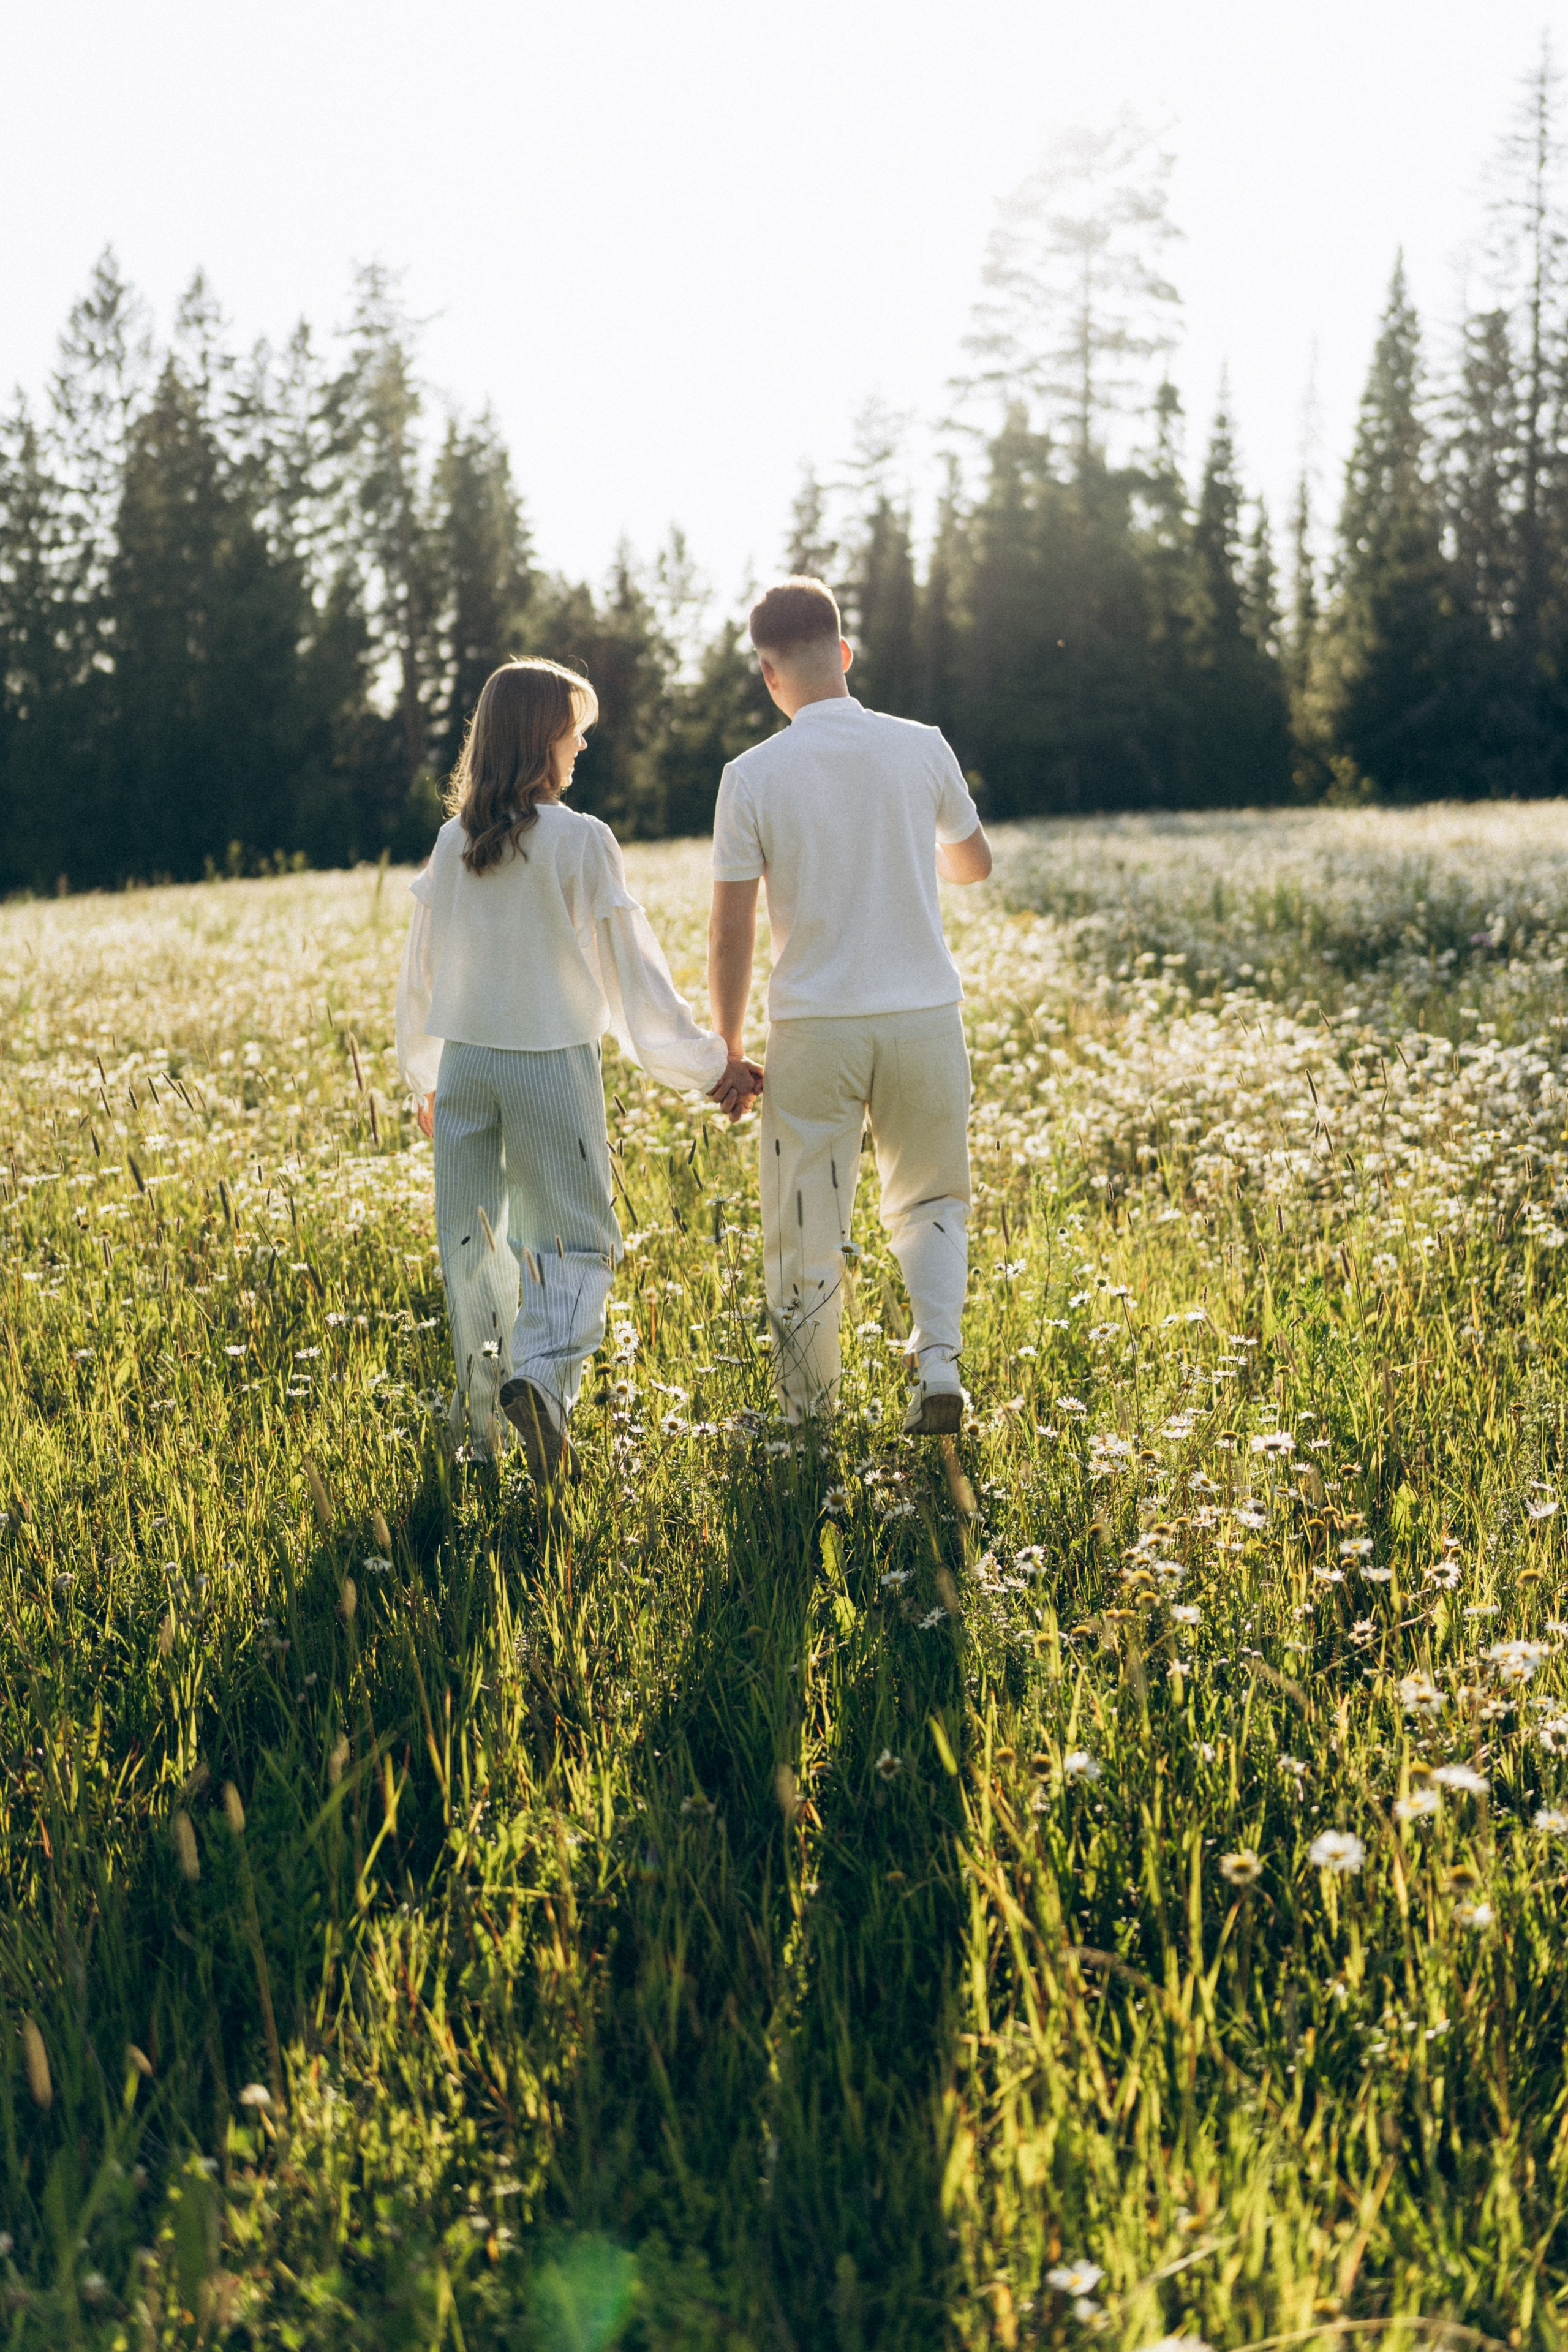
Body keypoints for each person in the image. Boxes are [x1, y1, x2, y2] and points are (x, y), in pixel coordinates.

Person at [396, 657, 760, 1488]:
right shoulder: (580, 840)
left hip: (464, 1068)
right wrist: (711, 1066)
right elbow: (632, 977)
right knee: (578, 1245)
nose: (584, 743)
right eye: (575, 729)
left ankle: (479, 1433)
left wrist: (423, 1074)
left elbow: (418, 974)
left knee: (474, 1250)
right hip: (548, 1067)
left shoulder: (453, 842)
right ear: (540, 740)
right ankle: (544, 1380)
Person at [707, 576, 992, 1434]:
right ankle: (937, 1365)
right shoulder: (921, 745)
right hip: (923, 1016)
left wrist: (725, 1048)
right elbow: (974, 864)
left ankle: (808, 1418)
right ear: (844, 653)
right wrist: (909, 850)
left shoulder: (751, 774)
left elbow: (731, 928)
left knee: (806, 1223)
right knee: (932, 1197)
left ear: (767, 673)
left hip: (814, 1027)